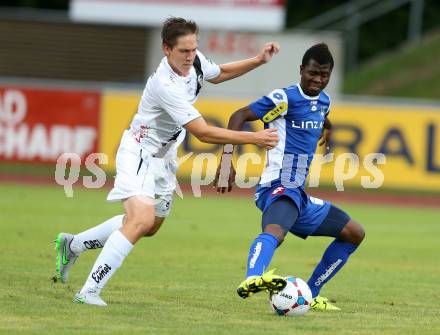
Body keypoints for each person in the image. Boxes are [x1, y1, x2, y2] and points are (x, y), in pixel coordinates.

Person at [55, 17, 280, 306]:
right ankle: (89, 291)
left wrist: (259, 60)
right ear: (166, 49)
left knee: (149, 226)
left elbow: (220, 72)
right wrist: (254, 139)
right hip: (139, 153)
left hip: (165, 157)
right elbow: (202, 131)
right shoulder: (165, 84)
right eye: (183, 51)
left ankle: (72, 245)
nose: (190, 57)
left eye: (193, 49)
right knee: (141, 219)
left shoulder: (195, 61)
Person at [214, 43, 365, 311]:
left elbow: (321, 114)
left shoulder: (324, 100)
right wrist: (227, 160)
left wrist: (327, 128)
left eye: (324, 75)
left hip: (299, 195)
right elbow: (239, 116)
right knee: (276, 233)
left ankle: (311, 293)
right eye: (312, 73)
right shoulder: (284, 97)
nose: (317, 80)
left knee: (354, 233)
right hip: (278, 185)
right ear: (301, 70)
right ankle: (253, 277)